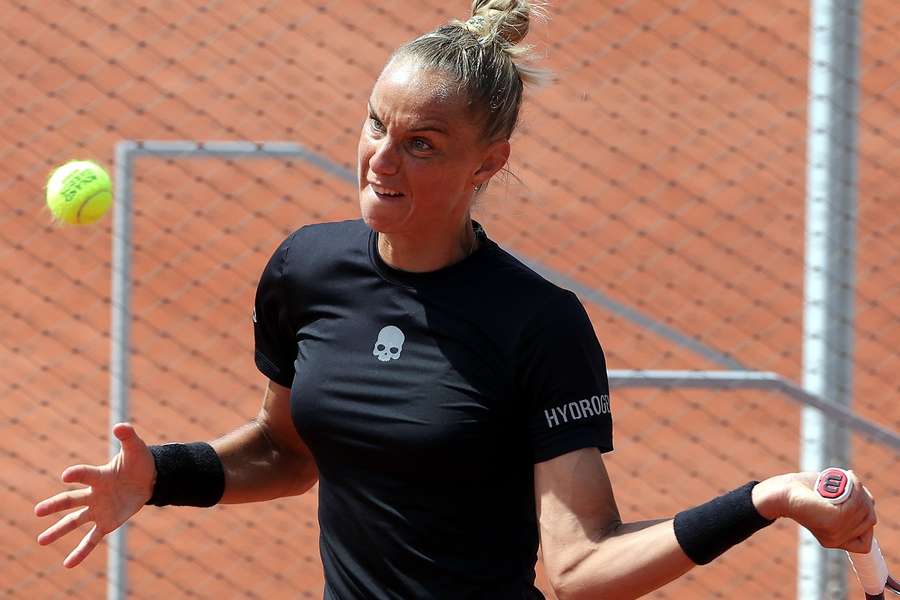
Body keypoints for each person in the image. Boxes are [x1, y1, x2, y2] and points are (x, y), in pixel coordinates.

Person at [35, 1, 878, 598]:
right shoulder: (307, 267)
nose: (380, 160)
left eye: (421, 144)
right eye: (375, 125)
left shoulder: (538, 324)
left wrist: (762, 499)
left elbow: (581, 570)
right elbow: (289, 452)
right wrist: (164, 478)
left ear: (490, 163)